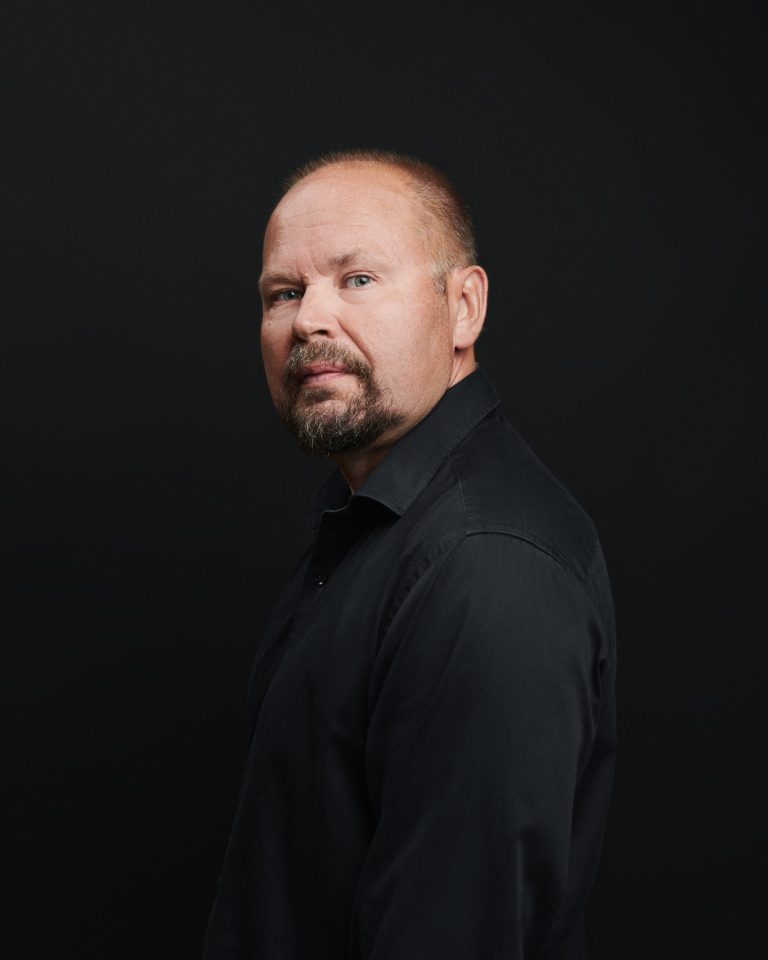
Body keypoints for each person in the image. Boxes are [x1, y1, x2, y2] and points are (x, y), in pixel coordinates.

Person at [202, 150, 616, 959]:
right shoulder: (376, 526)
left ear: (464, 307)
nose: (309, 320)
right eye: (283, 293)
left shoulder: (485, 566)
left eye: (357, 279)